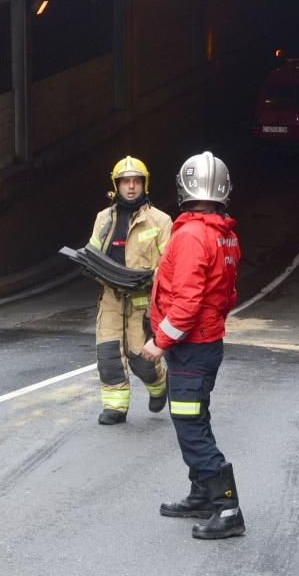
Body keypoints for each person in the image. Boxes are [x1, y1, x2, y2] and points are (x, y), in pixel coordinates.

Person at [140, 151, 245, 540]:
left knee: (191, 427)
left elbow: (186, 302)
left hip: (190, 350)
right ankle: (201, 494)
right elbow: (226, 295)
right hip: (206, 344)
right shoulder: (225, 234)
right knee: (195, 419)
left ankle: (228, 508)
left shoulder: (190, 236)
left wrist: (159, 342)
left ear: (184, 188)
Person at [89, 156, 173, 425]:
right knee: (109, 355)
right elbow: (92, 252)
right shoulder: (104, 219)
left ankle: (159, 384)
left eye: (136, 181)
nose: (131, 187)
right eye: (126, 181)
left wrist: (150, 280)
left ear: (144, 184)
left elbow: (170, 264)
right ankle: (116, 407)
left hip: (142, 301)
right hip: (111, 299)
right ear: (117, 185)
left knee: (142, 358)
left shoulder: (160, 221)